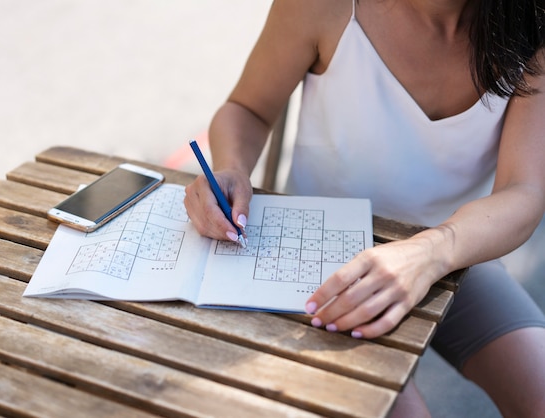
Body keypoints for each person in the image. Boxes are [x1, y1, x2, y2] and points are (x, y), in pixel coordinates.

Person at [184, 0, 545, 416]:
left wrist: (430, 252)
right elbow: (247, 108)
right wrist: (230, 167)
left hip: (453, 252)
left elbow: (524, 191)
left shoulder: (530, 24)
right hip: (316, 259)